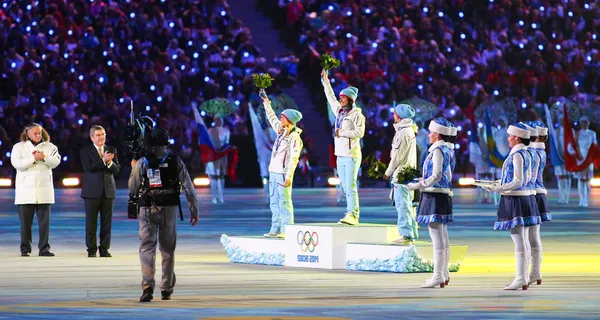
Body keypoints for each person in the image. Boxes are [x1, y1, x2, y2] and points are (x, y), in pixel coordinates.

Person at [129, 127, 200, 303]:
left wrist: (133, 169)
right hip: (169, 209)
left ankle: (147, 287)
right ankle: (166, 288)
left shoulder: (143, 162)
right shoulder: (176, 161)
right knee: (168, 250)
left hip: (147, 208)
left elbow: (133, 188)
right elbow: (189, 188)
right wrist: (194, 209)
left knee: (147, 248)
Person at [485, 123, 541, 290]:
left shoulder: (517, 155)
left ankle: (521, 278)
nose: (508, 138)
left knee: (519, 240)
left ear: (517, 138)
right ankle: (522, 277)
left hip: (517, 199)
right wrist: (500, 183)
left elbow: (518, 181)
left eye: (510, 136)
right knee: (522, 239)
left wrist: (499, 188)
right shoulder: (527, 153)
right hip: (523, 197)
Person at [407, 118, 456, 288]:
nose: (428, 135)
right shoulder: (447, 150)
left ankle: (438, 275)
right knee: (442, 235)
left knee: (437, 237)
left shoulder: (438, 151)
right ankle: (443, 273)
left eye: (431, 132)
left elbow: (436, 175)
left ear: (437, 134)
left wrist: (419, 184)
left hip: (434, 194)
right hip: (441, 194)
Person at [321, 70, 366, 225]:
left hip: (352, 154)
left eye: (343, 97)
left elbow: (360, 132)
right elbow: (330, 97)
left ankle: (353, 214)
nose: (340, 99)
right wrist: (325, 81)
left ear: (350, 99)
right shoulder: (339, 112)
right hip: (340, 154)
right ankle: (350, 212)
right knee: (345, 186)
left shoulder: (357, 115)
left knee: (351, 185)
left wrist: (343, 132)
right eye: (340, 97)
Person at [11, 123, 61, 257]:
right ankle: (25, 248)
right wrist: (33, 158)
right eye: (35, 133)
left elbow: (56, 162)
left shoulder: (50, 147)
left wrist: (44, 157)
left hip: (44, 191)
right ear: (27, 134)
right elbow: (18, 164)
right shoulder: (18, 147)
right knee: (25, 225)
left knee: (44, 224)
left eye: (40, 133)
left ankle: (44, 248)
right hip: (25, 192)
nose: (38, 135)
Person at [260, 89, 303, 238]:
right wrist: (266, 101)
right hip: (274, 171)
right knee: (274, 202)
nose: (280, 119)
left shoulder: (294, 138)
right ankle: (275, 228)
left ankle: (286, 230)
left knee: (284, 202)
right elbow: (271, 117)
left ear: (289, 120)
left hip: (284, 174)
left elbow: (294, 158)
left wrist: (289, 176)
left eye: (283, 117)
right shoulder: (281, 131)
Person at [80, 125, 121, 258]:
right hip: (91, 193)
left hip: (108, 192)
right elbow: (89, 167)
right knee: (91, 223)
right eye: (98, 135)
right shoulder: (85, 151)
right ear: (92, 137)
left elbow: (117, 169)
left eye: (103, 134)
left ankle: (104, 249)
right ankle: (91, 249)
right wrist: (103, 161)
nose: (101, 137)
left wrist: (110, 163)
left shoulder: (111, 149)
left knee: (106, 223)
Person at [383, 103, 418, 245]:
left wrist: (388, 172)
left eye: (394, 113)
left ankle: (406, 235)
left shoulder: (403, 132)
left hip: (402, 173)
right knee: (407, 205)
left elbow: (397, 156)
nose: (393, 115)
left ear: (399, 116)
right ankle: (411, 233)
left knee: (402, 205)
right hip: (408, 172)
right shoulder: (409, 130)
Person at [530, 120, 550, 286]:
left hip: (533, 194)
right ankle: (535, 272)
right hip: (538, 193)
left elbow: (531, 176)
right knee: (534, 236)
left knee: (530, 237)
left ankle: (534, 272)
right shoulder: (540, 151)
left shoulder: (534, 152)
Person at [206, 116, 230, 204]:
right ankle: (213, 197)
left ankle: (221, 196)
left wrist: (222, 150)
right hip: (212, 155)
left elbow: (227, 143)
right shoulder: (209, 131)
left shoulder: (226, 131)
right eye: (217, 119)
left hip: (222, 155)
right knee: (213, 176)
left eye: (220, 119)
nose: (219, 121)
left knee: (221, 176)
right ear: (214, 121)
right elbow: (206, 142)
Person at [574, 116, 596, 207]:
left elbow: (595, 146)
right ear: (580, 123)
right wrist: (577, 154)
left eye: (585, 122)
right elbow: (573, 146)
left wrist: (591, 157)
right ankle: (581, 200)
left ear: (588, 123)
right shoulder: (577, 133)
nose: (584, 124)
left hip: (589, 158)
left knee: (587, 179)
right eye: (582, 122)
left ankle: (586, 200)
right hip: (580, 158)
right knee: (580, 179)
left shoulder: (592, 133)